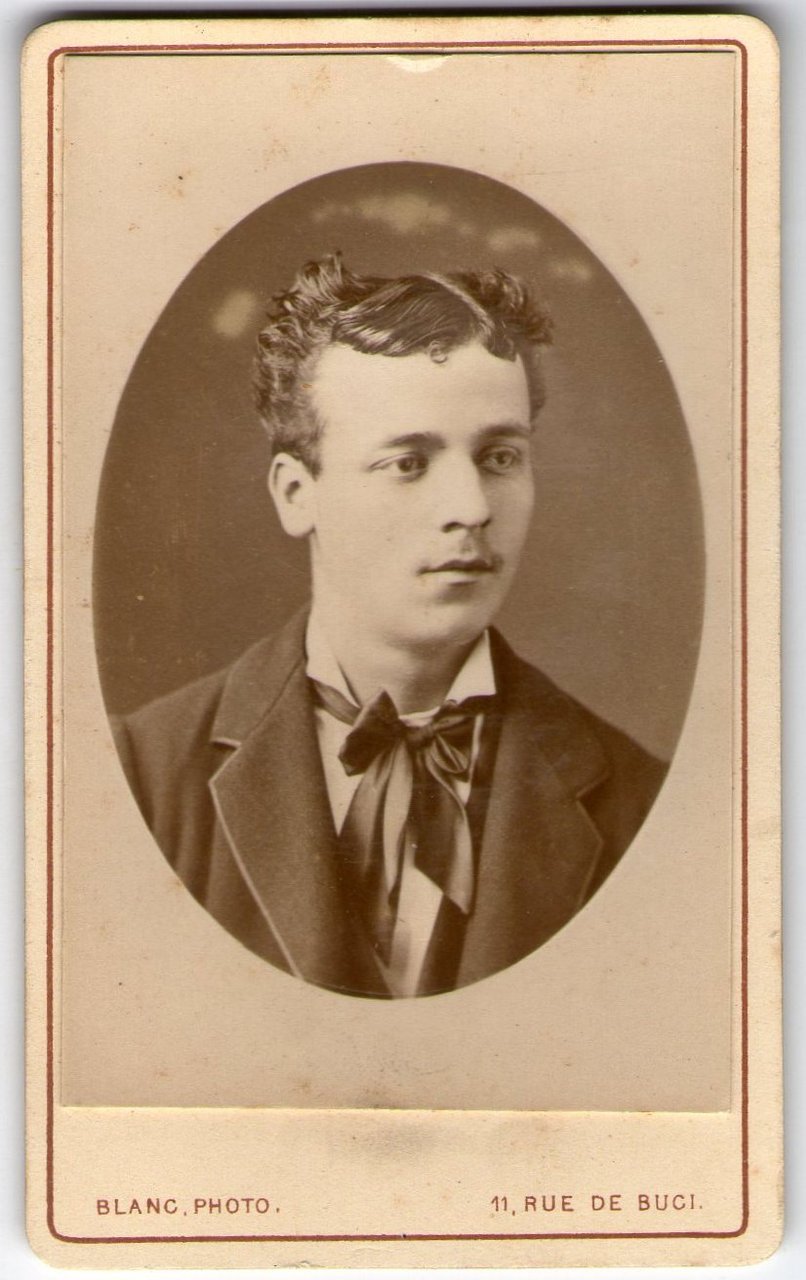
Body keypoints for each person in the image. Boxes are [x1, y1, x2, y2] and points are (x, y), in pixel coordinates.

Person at [112, 254, 667, 999]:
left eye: (500, 457)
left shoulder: (641, 802)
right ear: (296, 493)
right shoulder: (139, 778)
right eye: (408, 463)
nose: (471, 508)